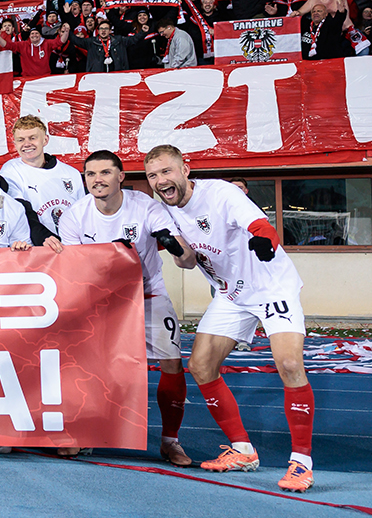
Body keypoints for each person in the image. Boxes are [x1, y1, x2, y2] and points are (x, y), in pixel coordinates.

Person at [144, 145, 315, 492]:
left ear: (184, 169)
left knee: (289, 364)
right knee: (201, 364)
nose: (161, 180)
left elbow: (259, 225)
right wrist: (178, 252)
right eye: (152, 176)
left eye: (166, 171)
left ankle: (301, 463)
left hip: (270, 286)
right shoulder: (164, 210)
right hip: (231, 295)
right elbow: (189, 262)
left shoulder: (221, 193)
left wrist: (265, 242)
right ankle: (242, 450)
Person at [57, 150, 196, 465]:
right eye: (91, 174)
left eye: (105, 173)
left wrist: (176, 247)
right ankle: (85, 433)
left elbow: (172, 241)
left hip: (148, 295)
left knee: (171, 363)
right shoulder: (74, 215)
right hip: (99, 300)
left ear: (121, 176)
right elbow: (74, 269)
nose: (97, 180)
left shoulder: (146, 207)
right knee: (85, 367)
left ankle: (170, 441)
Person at [0, 115, 82, 245]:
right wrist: (44, 239)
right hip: (36, 248)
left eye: (33, 138)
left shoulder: (72, 173)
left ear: (45, 140)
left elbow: (82, 214)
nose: (27, 144)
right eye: (21, 140)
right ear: (14, 144)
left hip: (71, 247)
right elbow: (22, 213)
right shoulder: (10, 171)